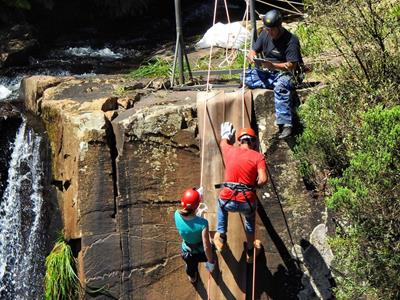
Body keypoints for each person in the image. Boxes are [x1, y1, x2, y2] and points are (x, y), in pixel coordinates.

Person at [213, 122, 268, 263]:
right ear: (254, 142)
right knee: (249, 222)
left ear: (240, 141)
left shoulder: (229, 150)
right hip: (246, 201)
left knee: (220, 206)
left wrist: (226, 135)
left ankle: (222, 237)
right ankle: (250, 251)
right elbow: (263, 179)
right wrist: (253, 186)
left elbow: (223, 142)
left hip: (227, 199)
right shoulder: (258, 157)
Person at [247, 9, 303, 139]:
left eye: (272, 29)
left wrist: (273, 66)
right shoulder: (265, 34)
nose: (269, 32)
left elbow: (291, 65)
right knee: (246, 77)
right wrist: (253, 56)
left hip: (288, 73)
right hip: (269, 72)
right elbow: (253, 50)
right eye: (267, 29)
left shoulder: (291, 40)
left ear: (279, 26)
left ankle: (286, 125)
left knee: (281, 86)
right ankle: (271, 82)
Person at [174, 187, 215, 283]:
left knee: (191, 268)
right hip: (201, 253)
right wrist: (210, 261)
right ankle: (207, 263)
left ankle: (192, 277)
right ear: (197, 206)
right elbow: (206, 247)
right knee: (211, 251)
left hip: (187, 252)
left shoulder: (176, 214)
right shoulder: (203, 223)